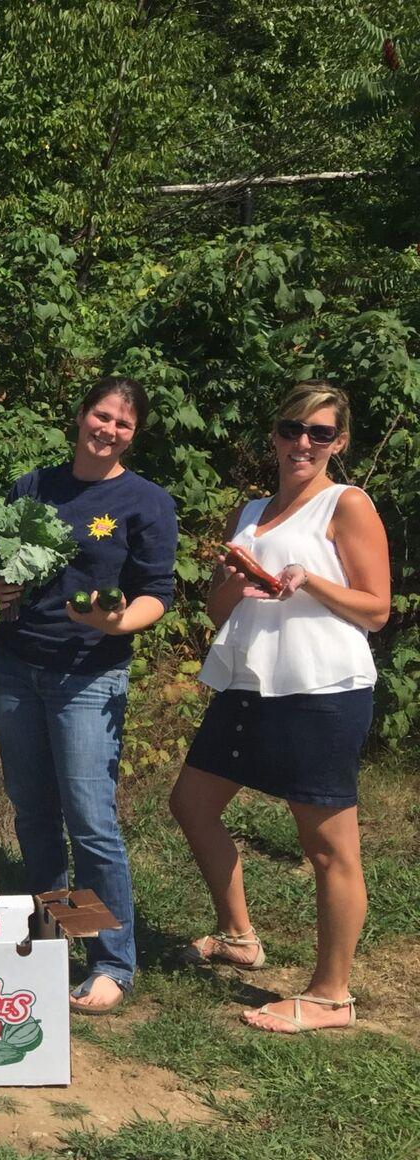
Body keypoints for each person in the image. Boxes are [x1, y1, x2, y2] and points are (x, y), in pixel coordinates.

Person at [169, 381, 389, 1034]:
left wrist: (311, 581)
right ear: (275, 434)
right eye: (293, 428)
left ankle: (331, 996)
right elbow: (215, 611)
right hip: (249, 686)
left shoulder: (345, 505)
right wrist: (234, 586)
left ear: (338, 443)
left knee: (328, 850)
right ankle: (239, 936)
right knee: (191, 803)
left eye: (320, 433)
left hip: (320, 692)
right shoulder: (253, 511)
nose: (303, 442)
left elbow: (377, 608)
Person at [0, 378, 178, 1014]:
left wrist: (118, 623)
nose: (109, 430)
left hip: (88, 675)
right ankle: (55, 937)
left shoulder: (145, 502)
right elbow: (1, 563)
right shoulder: (33, 486)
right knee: (34, 813)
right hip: (18, 667)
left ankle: (111, 961)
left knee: (90, 820)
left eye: (123, 424)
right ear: (80, 415)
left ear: (133, 434)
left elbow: (156, 591)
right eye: (102, 415)